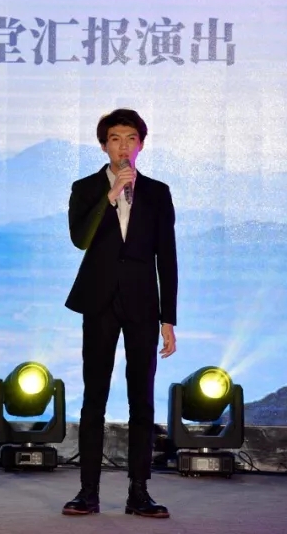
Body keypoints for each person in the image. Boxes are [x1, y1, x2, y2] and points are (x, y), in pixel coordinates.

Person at [62, 109, 177, 518]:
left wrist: (168, 319)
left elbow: (168, 258)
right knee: (94, 397)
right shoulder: (86, 188)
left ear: (141, 144)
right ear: (103, 145)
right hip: (99, 301)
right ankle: (87, 492)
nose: (123, 146)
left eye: (131, 138)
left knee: (141, 399)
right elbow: (80, 239)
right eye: (115, 139)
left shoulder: (158, 193)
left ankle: (139, 492)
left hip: (143, 303)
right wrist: (110, 196)